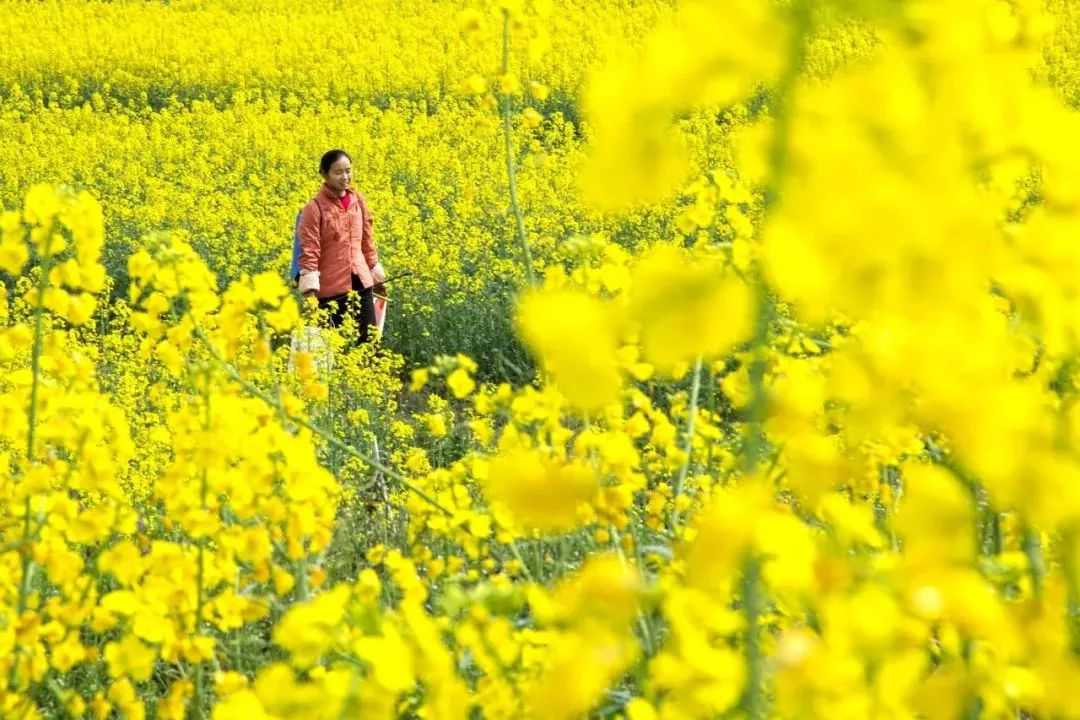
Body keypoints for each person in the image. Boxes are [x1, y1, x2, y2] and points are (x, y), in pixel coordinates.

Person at [297, 149, 386, 344]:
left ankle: (368, 374)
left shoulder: (358, 201)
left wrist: (377, 276)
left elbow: (367, 241)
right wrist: (310, 294)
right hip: (330, 290)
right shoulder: (314, 208)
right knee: (327, 349)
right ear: (324, 174)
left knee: (370, 343)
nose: (345, 177)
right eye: (338, 172)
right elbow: (310, 251)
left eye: (348, 171)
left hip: (361, 282)